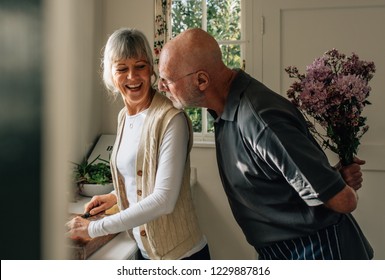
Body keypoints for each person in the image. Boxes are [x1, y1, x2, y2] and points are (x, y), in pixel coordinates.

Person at [158, 28, 373, 260]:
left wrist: (337, 186)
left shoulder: (260, 119)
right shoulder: (226, 111)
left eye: (167, 80)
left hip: (318, 251)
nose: (161, 87)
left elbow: (344, 200)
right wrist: (334, 177)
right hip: (283, 251)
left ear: (201, 80)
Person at [67, 28, 210, 260]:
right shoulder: (124, 116)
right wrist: (115, 196)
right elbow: (141, 176)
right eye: (122, 69)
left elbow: (163, 200)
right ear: (111, 75)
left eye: (140, 66)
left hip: (181, 257)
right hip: (145, 252)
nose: (132, 77)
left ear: (151, 69)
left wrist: (92, 229)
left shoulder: (171, 119)